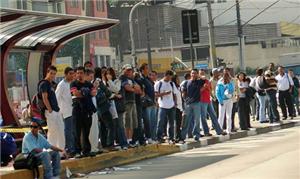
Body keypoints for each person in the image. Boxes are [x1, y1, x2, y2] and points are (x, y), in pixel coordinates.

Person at [71, 66, 97, 158]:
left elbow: (94, 93)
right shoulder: (73, 83)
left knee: (86, 132)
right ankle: (77, 151)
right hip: (77, 110)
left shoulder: (89, 84)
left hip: (87, 111)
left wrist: (84, 93)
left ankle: (86, 150)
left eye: (81, 73)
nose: (79, 75)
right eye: (77, 73)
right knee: (77, 132)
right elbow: (75, 93)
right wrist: (85, 93)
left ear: (84, 74)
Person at [40, 65, 65, 152]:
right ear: (47, 73)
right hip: (51, 111)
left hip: (56, 110)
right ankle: (51, 152)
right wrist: (50, 110)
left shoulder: (51, 84)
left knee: (61, 131)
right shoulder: (44, 84)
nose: (52, 75)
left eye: (54, 74)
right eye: (51, 73)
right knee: (52, 132)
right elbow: (44, 98)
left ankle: (61, 151)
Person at [179, 69, 205, 143]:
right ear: (190, 74)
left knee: (197, 120)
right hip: (188, 104)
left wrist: (198, 76)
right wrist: (185, 100)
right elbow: (183, 92)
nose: (193, 74)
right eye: (192, 73)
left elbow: (204, 78)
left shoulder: (199, 81)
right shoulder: (186, 82)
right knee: (186, 120)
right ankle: (183, 136)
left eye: (195, 73)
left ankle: (196, 135)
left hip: (197, 103)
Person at [55, 67, 76, 157]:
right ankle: (69, 149)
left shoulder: (73, 84)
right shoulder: (62, 85)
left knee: (74, 132)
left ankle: (74, 148)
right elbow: (57, 98)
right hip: (66, 112)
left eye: (73, 74)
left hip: (74, 110)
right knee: (68, 132)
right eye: (70, 74)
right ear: (66, 74)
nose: (72, 75)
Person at [120, 64, 141, 144]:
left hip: (133, 102)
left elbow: (138, 88)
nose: (129, 72)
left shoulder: (131, 79)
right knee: (127, 122)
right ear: (123, 70)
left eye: (130, 70)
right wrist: (133, 89)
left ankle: (130, 140)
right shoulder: (122, 78)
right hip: (126, 102)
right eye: (127, 70)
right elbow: (127, 87)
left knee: (133, 123)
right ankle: (127, 140)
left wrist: (132, 88)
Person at [154, 70, 177, 144]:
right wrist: (164, 93)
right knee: (160, 122)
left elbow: (174, 94)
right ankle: (159, 137)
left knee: (171, 123)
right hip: (162, 106)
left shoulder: (172, 83)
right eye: (169, 76)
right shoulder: (159, 83)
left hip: (171, 106)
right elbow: (155, 95)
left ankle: (171, 137)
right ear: (166, 75)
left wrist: (175, 103)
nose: (170, 78)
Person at [139, 63, 157, 143]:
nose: (148, 70)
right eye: (146, 68)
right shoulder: (140, 79)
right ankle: (148, 138)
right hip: (146, 104)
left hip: (152, 103)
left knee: (153, 122)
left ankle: (153, 137)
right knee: (147, 122)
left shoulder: (148, 79)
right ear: (142, 70)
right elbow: (142, 91)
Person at [198, 69, 213, 136]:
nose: (202, 75)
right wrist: (203, 87)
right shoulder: (198, 81)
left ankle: (218, 130)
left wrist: (207, 87)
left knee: (213, 115)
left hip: (208, 100)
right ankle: (206, 131)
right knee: (203, 117)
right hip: (202, 101)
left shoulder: (207, 81)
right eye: (201, 73)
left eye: (203, 73)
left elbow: (210, 90)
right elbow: (198, 91)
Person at [171, 75, 184, 141]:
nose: (178, 80)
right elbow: (174, 95)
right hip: (175, 107)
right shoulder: (173, 86)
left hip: (180, 106)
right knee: (176, 122)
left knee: (179, 123)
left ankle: (179, 136)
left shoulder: (178, 87)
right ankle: (176, 136)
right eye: (177, 79)